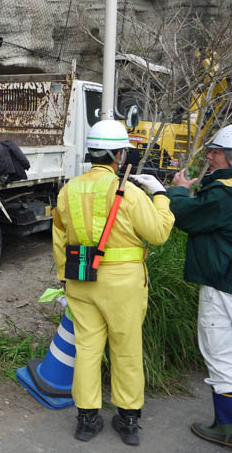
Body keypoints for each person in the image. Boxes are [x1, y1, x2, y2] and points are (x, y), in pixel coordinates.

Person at [52, 120, 175, 446]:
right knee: (126, 349)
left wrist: (65, 278)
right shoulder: (130, 193)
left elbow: (60, 238)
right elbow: (159, 233)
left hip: (81, 279)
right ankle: (128, 420)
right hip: (123, 285)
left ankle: (86, 420)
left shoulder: (68, 190)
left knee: (88, 349)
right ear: (119, 156)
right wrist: (161, 195)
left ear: (91, 153)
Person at [165, 124, 232, 449]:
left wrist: (177, 191)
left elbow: (185, 216)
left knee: (220, 353)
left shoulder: (223, 194)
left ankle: (227, 428)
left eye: (215, 151)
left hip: (222, 284)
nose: (209, 155)